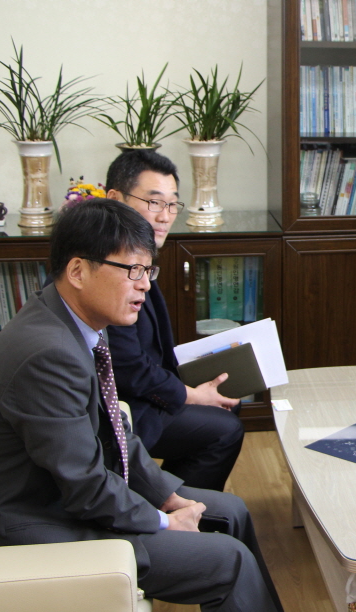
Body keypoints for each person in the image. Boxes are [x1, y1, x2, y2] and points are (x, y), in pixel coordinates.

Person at [0, 199, 281, 612]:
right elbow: (84, 485)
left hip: (62, 497)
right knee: (228, 561)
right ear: (78, 271)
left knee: (231, 510)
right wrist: (163, 521)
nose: (145, 285)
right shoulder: (46, 354)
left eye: (148, 271)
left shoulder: (77, 321)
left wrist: (166, 496)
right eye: (132, 270)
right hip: (34, 523)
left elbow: (116, 431)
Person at [105, 150, 244, 492]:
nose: (165, 216)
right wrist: (189, 395)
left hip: (142, 391)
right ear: (115, 200)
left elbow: (150, 353)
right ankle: (177, 511)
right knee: (224, 428)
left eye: (171, 205)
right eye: (154, 202)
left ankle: (169, 497)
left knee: (225, 399)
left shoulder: (137, 257)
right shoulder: (109, 268)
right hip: (123, 408)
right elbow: (126, 367)